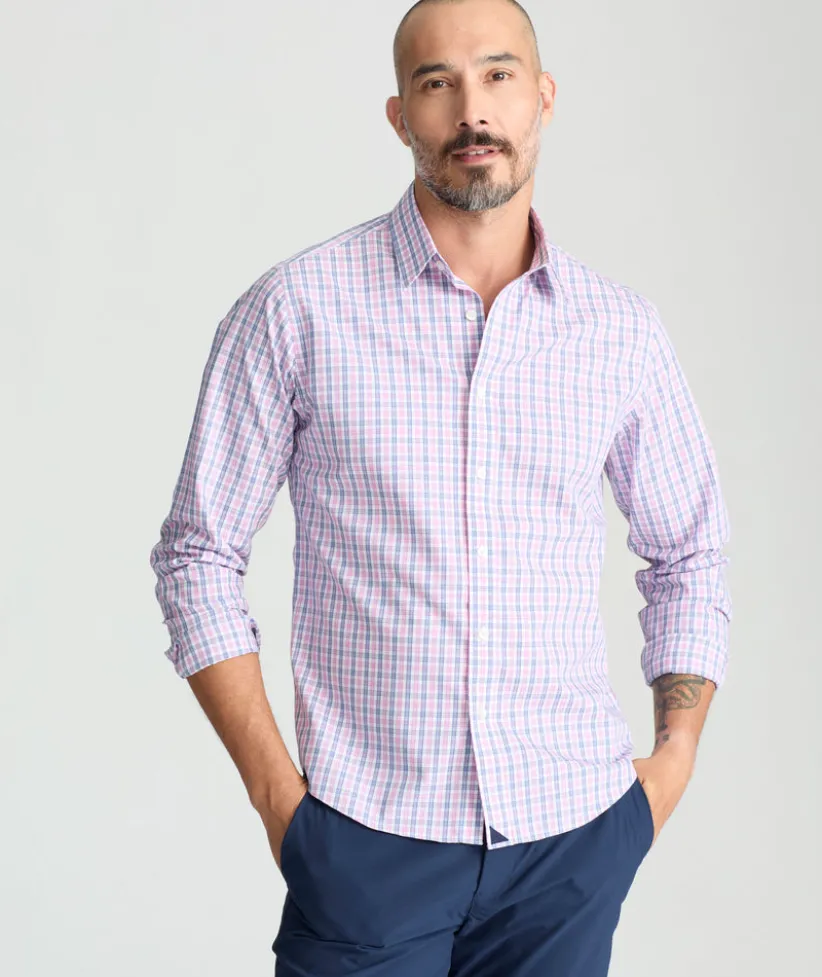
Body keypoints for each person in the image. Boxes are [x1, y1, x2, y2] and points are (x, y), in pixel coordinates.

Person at [148, 0, 733, 972]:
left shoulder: (620, 332)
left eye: (499, 75)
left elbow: (689, 550)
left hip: (571, 842)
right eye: (437, 83)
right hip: (368, 841)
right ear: (399, 115)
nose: (473, 110)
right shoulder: (297, 311)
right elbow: (198, 555)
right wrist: (278, 800)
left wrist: (670, 766)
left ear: (544, 98)